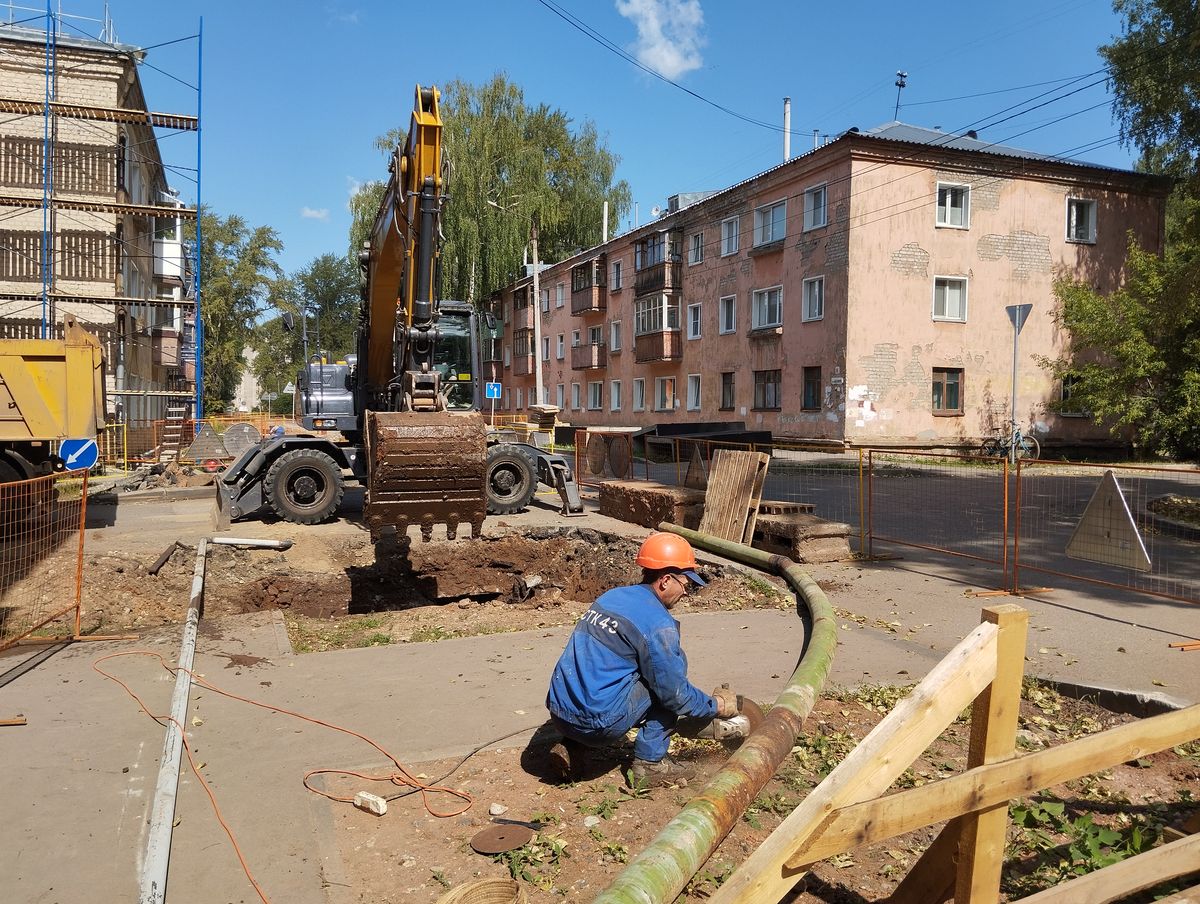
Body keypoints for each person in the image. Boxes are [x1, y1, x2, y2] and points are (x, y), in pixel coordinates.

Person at [545, 531, 743, 784]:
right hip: (596, 725)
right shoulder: (658, 624)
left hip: (559, 714)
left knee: (605, 672)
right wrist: (715, 705)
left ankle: (574, 747)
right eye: (685, 585)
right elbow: (675, 694)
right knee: (664, 686)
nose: (685, 593)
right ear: (665, 581)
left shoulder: (612, 597)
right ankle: (650, 765)